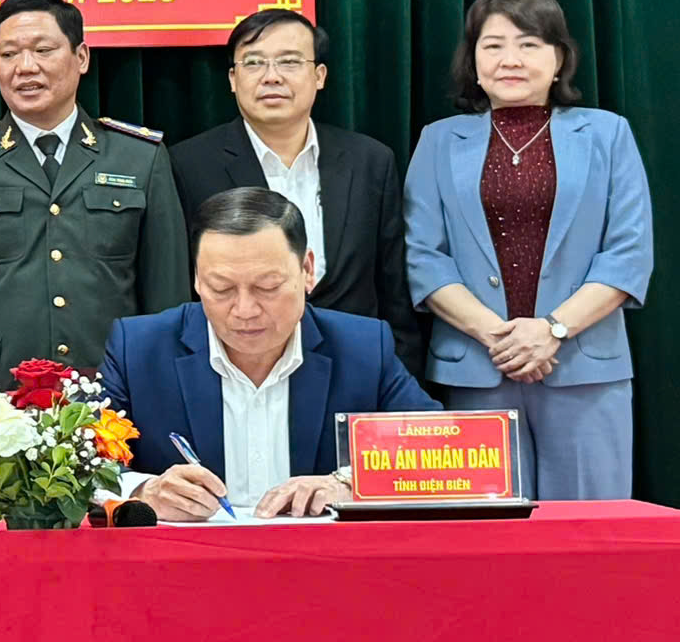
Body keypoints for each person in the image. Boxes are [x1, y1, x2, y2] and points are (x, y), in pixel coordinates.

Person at [0, 0, 188, 499]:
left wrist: (164, 408)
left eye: (43, 50)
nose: (25, 67)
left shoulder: (139, 157)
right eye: (9, 53)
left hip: (110, 404)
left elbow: (167, 301)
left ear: (81, 57)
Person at [405, 0, 653, 498]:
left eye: (529, 44)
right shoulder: (438, 141)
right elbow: (425, 258)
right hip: (478, 369)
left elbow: (628, 254)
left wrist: (552, 331)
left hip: (584, 368)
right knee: (488, 531)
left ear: (559, 58)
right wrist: (500, 338)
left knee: (588, 531)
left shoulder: (608, 134)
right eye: (493, 45)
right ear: (473, 61)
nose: (510, 60)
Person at [101, 188, 439, 520]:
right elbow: (81, 463)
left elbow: (443, 450)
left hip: (320, 553)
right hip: (184, 553)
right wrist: (142, 490)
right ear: (197, 280)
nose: (245, 310)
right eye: (221, 288)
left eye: (268, 287)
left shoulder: (362, 349)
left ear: (307, 270)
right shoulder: (140, 349)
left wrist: (349, 484)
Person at [170, 8, 422, 374]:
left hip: (355, 369)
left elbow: (394, 288)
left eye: (289, 62)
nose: (271, 77)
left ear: (319, 76)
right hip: (236, 368)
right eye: (254, 63)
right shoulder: (188, 165)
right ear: (232, 79)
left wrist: (401, 376)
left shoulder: (370, 160)